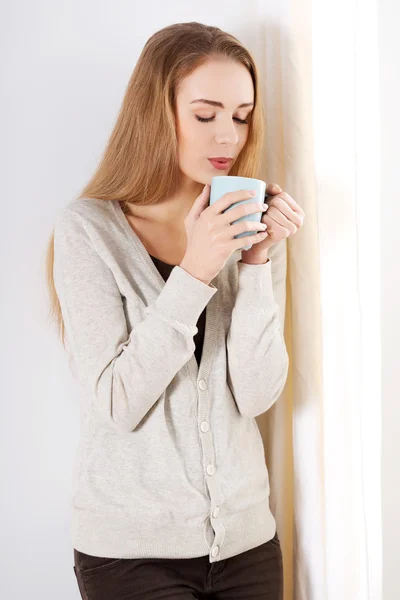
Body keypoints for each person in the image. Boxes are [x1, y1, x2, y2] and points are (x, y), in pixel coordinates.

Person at [45, 20, 303, 600]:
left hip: (246, 545)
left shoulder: (245, 225)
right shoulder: (88, 230)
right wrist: (194, 273)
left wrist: (257, 261)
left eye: (240, 116)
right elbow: (117, 400)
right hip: (130, 559)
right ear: (157, 114)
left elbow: (256, 395)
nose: (227, 137)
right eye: (206, 114)